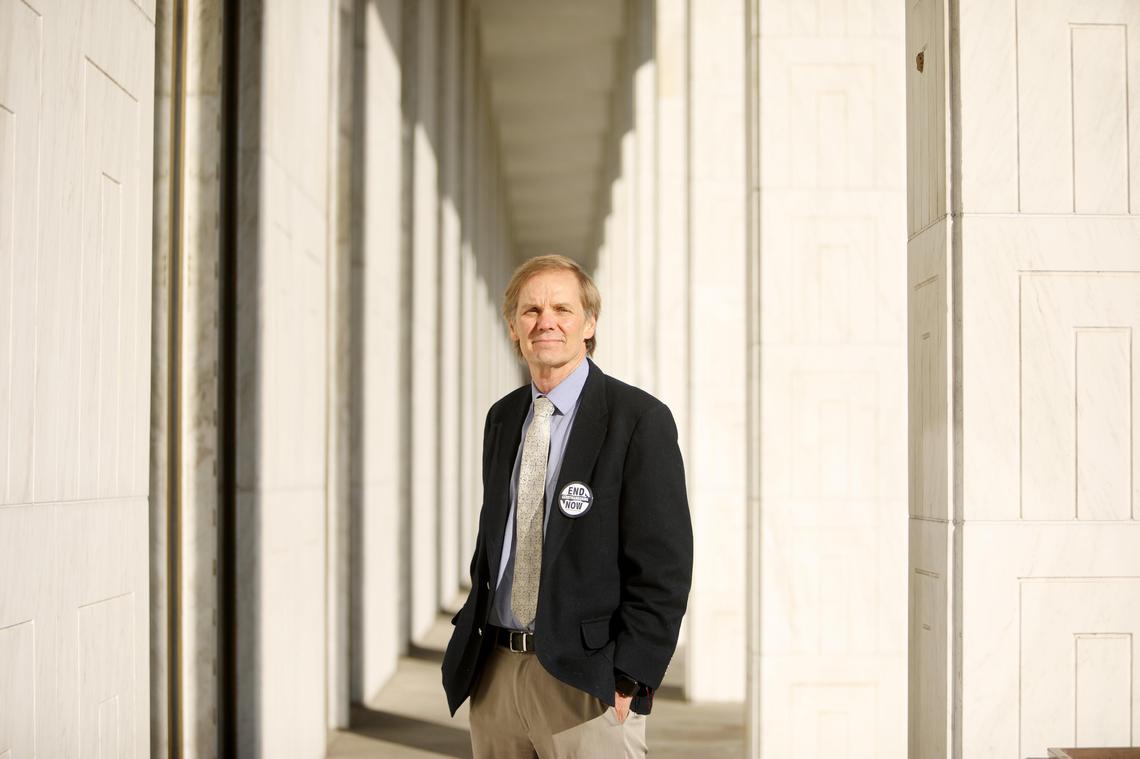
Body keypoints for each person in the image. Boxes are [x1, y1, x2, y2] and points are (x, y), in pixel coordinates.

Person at [441, 254, 693, 758]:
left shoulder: (638, 419)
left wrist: (632, 675)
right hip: (496, 673)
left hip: (587, 680)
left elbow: (663, 565)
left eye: (562, 308)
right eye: (531, 311)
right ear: (513, 326)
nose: (546, 321)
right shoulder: (503, 418)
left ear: (589, 323)